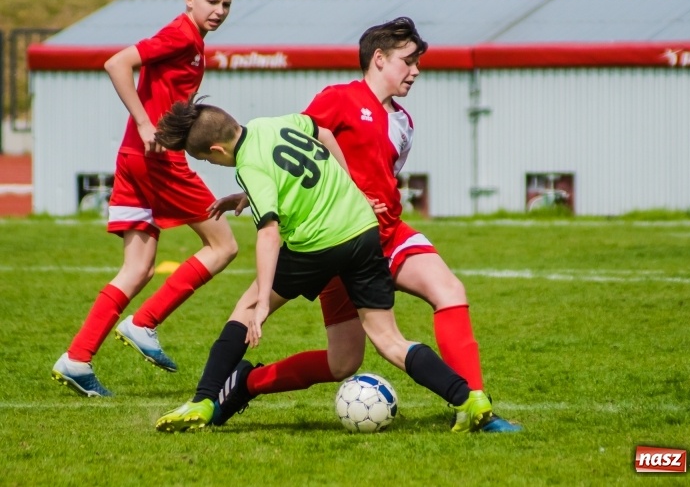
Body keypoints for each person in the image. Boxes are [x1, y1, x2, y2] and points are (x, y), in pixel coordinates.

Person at [205, 17, 521, 432]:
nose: (416, 71)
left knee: (450, 291)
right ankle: (248, 382)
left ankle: (477, 407)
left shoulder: (404, 122)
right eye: (408, 61)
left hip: (391, 233)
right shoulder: (339, 99)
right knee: (343, 362)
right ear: (379, 59)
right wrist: (250, 195)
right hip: (342, 243)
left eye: (417, 62)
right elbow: (291, 155)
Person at [151, 94, 494, 433]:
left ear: (217, 150)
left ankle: (204, 399)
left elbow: (269, 236)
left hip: (317, 246)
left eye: (209, 162)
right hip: (363, 231)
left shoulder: (248, 167)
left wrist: (261, 304)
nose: (215, 166)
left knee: (245, 307)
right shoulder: (274, 124)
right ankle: (468, 399)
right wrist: (349, 187)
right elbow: (323, 134)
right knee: (389, 340)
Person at [51, 0, 238, 397]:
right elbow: (117, 63)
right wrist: (144, 121)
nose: (220, 10)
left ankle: (77, 359)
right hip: (157, 161)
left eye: (226, 4)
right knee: (224, 245)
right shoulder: (183, 35)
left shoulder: (191, 41)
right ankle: (144, 322)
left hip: (132, 158)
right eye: (212, 1)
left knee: (137, 268)